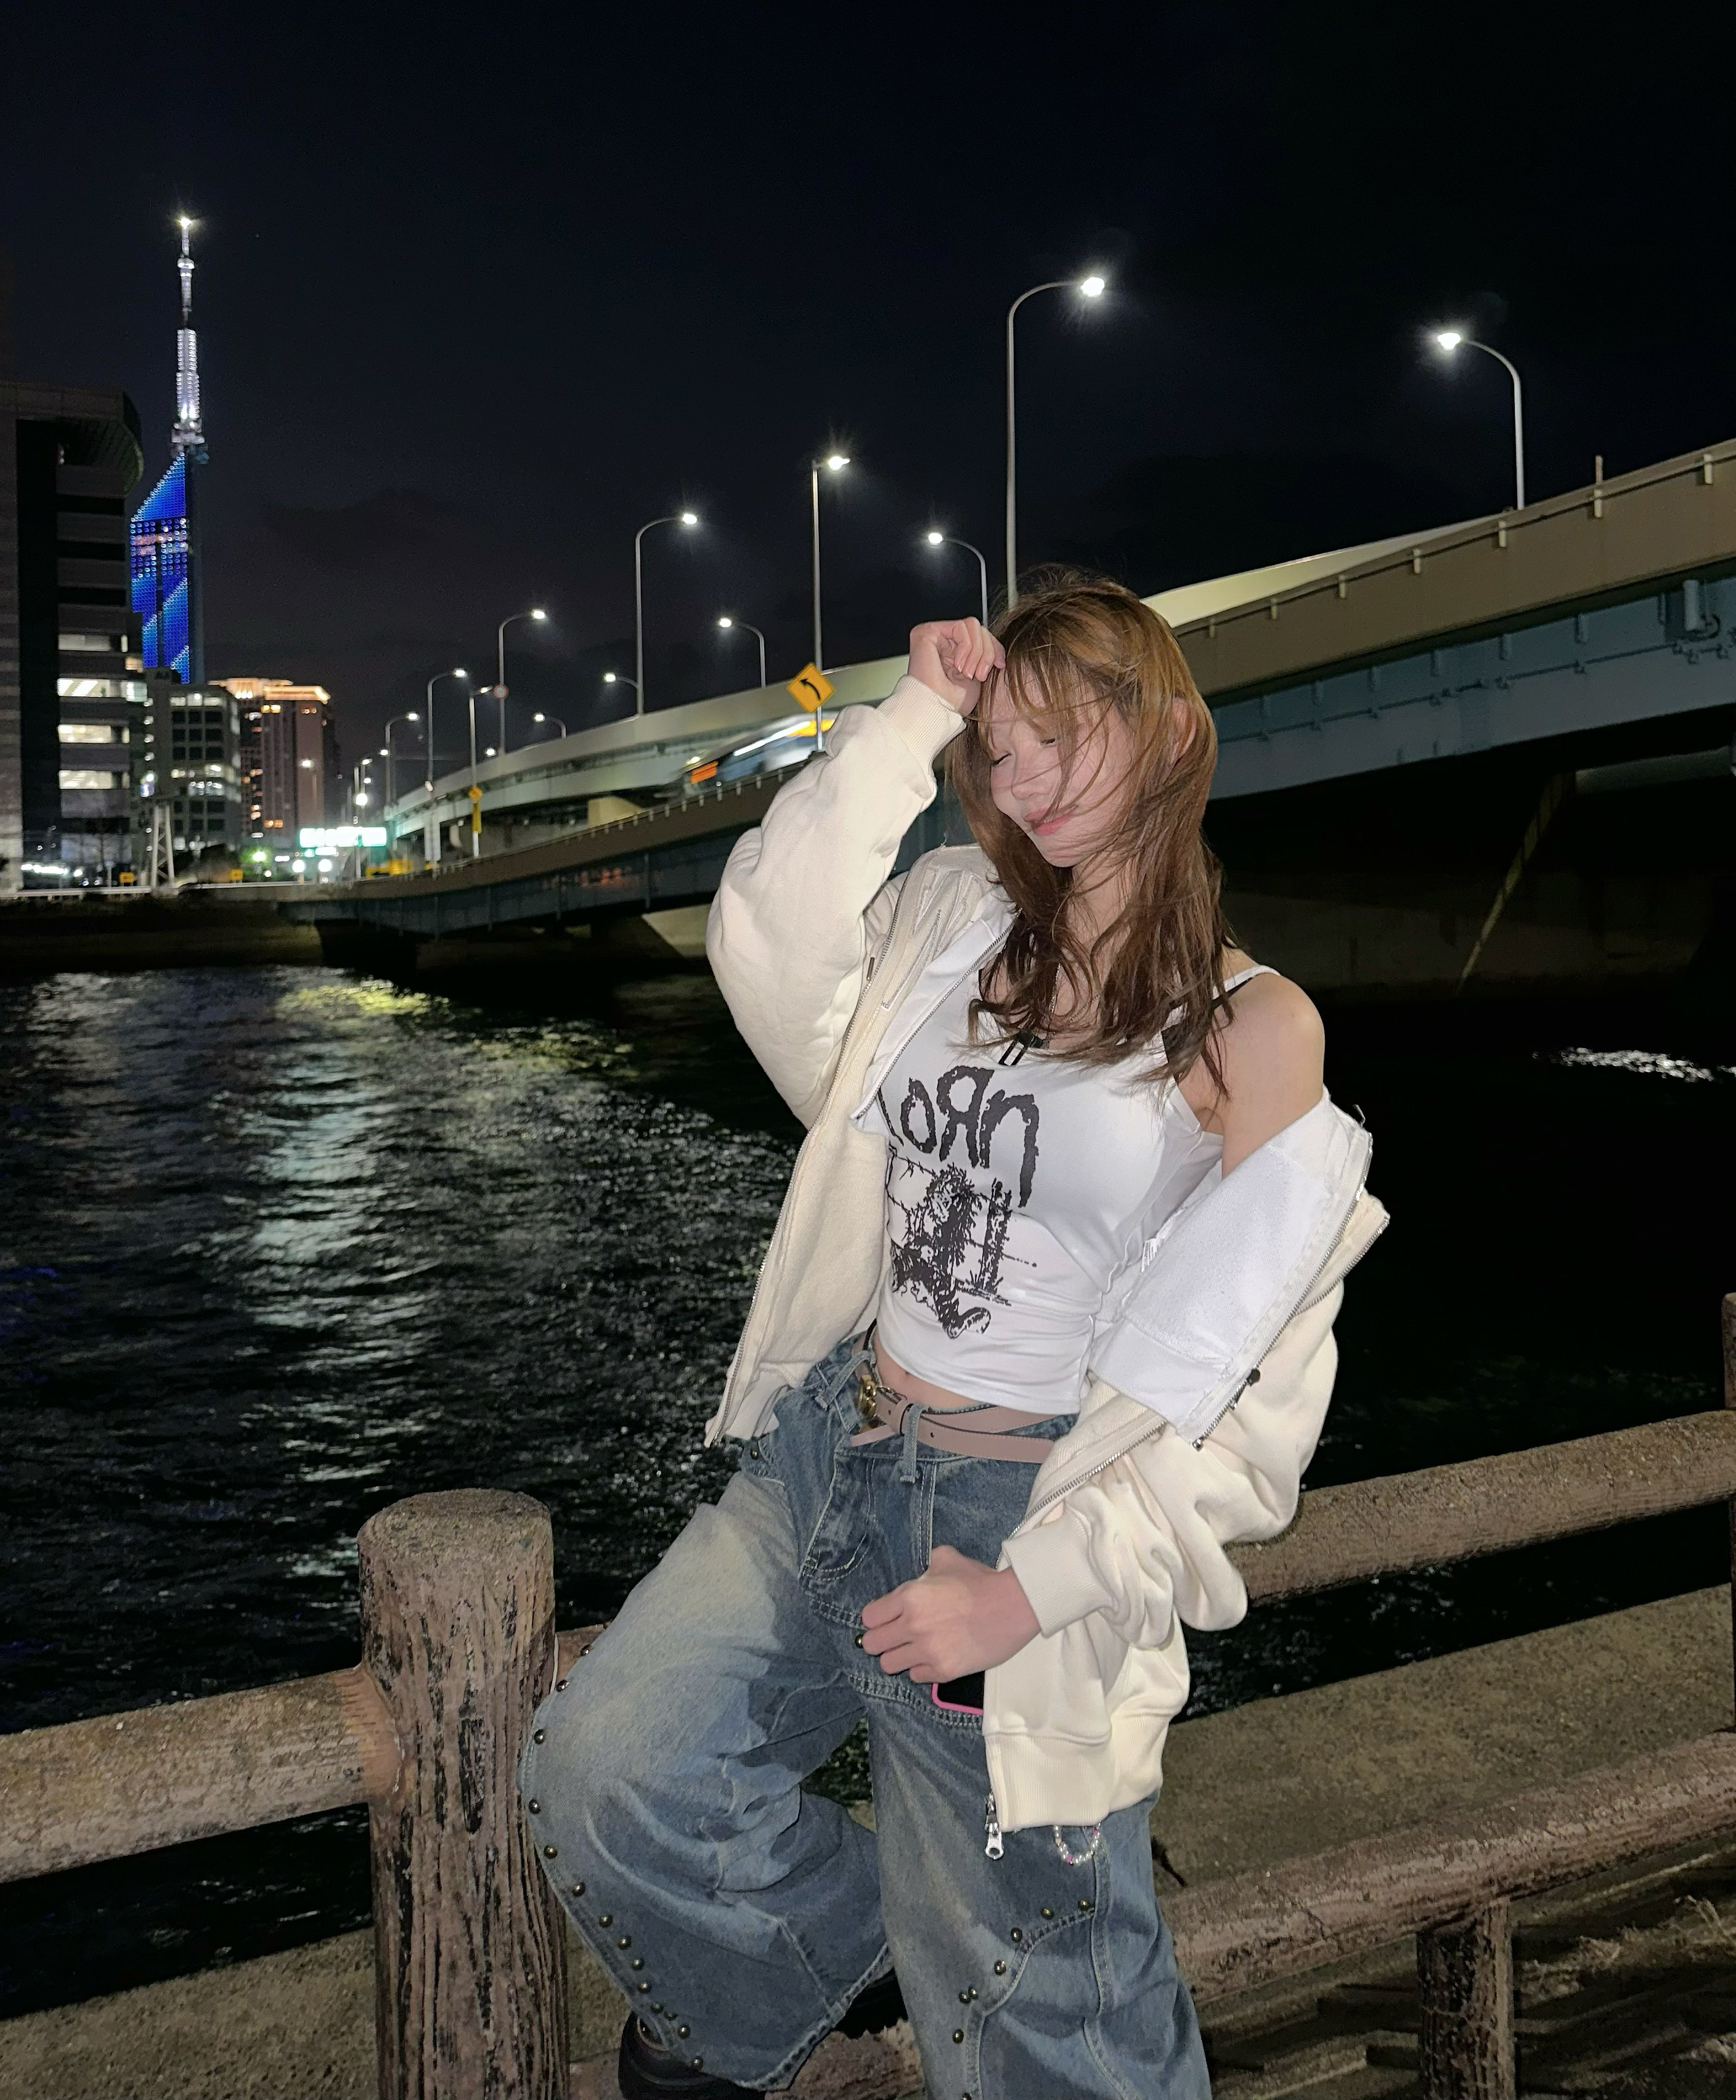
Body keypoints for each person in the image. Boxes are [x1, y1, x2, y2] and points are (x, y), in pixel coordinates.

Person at [523, 575, 1387, 2099]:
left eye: (1066, 734)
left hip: (1013, 1520)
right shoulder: (954, 919)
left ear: (1168, 729)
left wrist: (1028, 1593)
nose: (1027, 780)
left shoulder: (1251, 1029)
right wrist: (917, 712)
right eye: (1004, 748)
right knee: (610, 1771)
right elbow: (765, 939)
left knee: (1047, 2029)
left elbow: (1255, 1406)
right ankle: (839, 1953)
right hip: (832, 1451)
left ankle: (930, 1941)